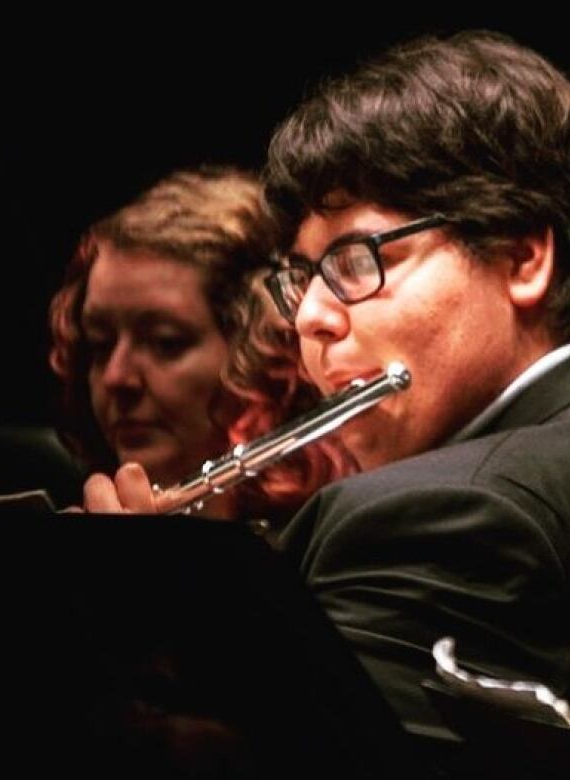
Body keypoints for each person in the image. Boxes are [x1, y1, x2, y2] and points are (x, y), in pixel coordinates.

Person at [84, 31, 570, 766]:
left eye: (357, 260)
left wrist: (136, 613)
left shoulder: (450, 514)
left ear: (523, 257)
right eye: (301, 275)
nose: (310, 315)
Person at [50, 166, 350, 523]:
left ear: (265, 352)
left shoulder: (338, 538)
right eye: (99, 345)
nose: (117, 378)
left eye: (166, 343)